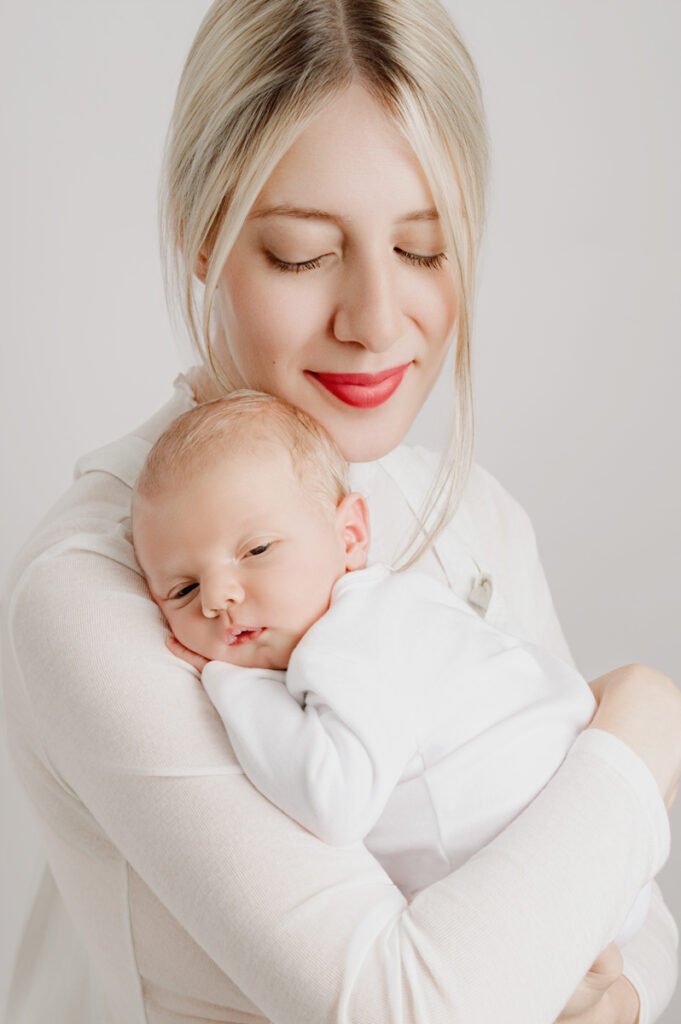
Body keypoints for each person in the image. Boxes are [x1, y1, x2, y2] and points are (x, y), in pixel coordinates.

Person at [2, 1, 679, 1022]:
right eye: (303, 253)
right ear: (201, 233)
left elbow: (644, 944)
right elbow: (403, 1006)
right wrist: (640, 732)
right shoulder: (100, 593)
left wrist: (606, 994)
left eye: (424, 249)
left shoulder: (470, 518)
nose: (374, 321)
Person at [131, 390, 653, 952]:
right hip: (593, 865)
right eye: (182, 590)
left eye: (256, 550)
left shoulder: (352, 638)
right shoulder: (398, 606)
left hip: (552, 880)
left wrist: (227, 681)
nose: (218, 597)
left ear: (350, 535)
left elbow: (334, 802)